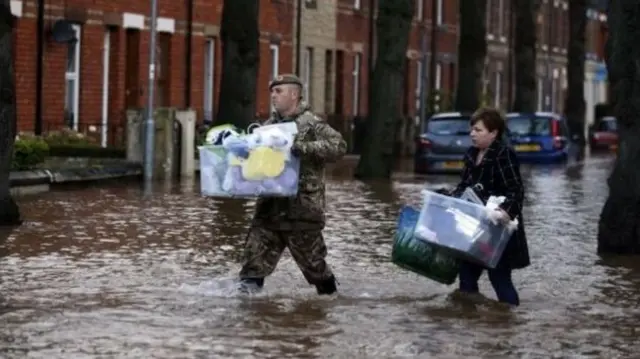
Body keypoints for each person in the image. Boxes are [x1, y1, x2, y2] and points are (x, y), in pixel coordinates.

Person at [238, 74, 347, 295]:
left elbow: (339, 146)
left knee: (315, 269)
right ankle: (249, 315)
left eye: (279, 92)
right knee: (252, 267)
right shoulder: (269, 126)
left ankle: (331, 301)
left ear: (294, 95)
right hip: (269, 209)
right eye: (272, 92)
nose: (273, 96)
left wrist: (301, 147)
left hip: (302, 210)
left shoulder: (311, 124)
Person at [449, 107, 530, 306]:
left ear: (493, 133)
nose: (472, 134)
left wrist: (505, 212)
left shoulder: (504, 154)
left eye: (478, 130)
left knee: (499, 278)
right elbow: (464, 186)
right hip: (474, 228)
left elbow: (516, 190)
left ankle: (509, 320)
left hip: (498, 229)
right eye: (472, 130)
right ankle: (471, 324)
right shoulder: (471, 154)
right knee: (466, 278)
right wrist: (450, 200)